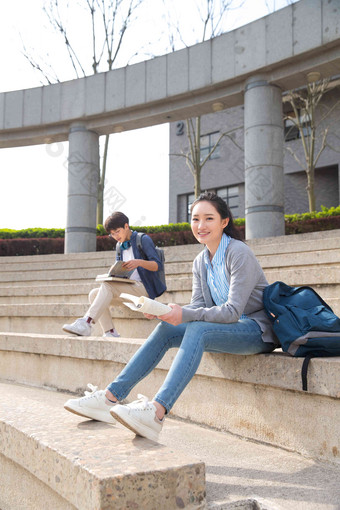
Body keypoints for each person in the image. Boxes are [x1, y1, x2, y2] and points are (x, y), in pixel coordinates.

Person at [64, 192, 279, 441]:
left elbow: (232, 311)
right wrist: (163, 311)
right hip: (227, 328)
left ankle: (156, 412)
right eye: (195, 219)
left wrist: (183, 313)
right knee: (166, 329)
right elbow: (199, 305)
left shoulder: (238, 253)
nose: (201, 225)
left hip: (256, 330)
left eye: (209, 218)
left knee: (198, 329)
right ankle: (110, 397)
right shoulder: (200, 261)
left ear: (224, 222)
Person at [62, 211, 166, 338]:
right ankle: (110, 332)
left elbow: (157, 265)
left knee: (108, 286)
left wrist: (139, 262)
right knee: (94, 294)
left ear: (126, 226)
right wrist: (114, 272)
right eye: (112, 234)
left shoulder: (142, 239)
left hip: (144, 289)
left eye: (117, 231)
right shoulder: (119, 246)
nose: (115, 236)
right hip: (127, 289)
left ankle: (86, 322)